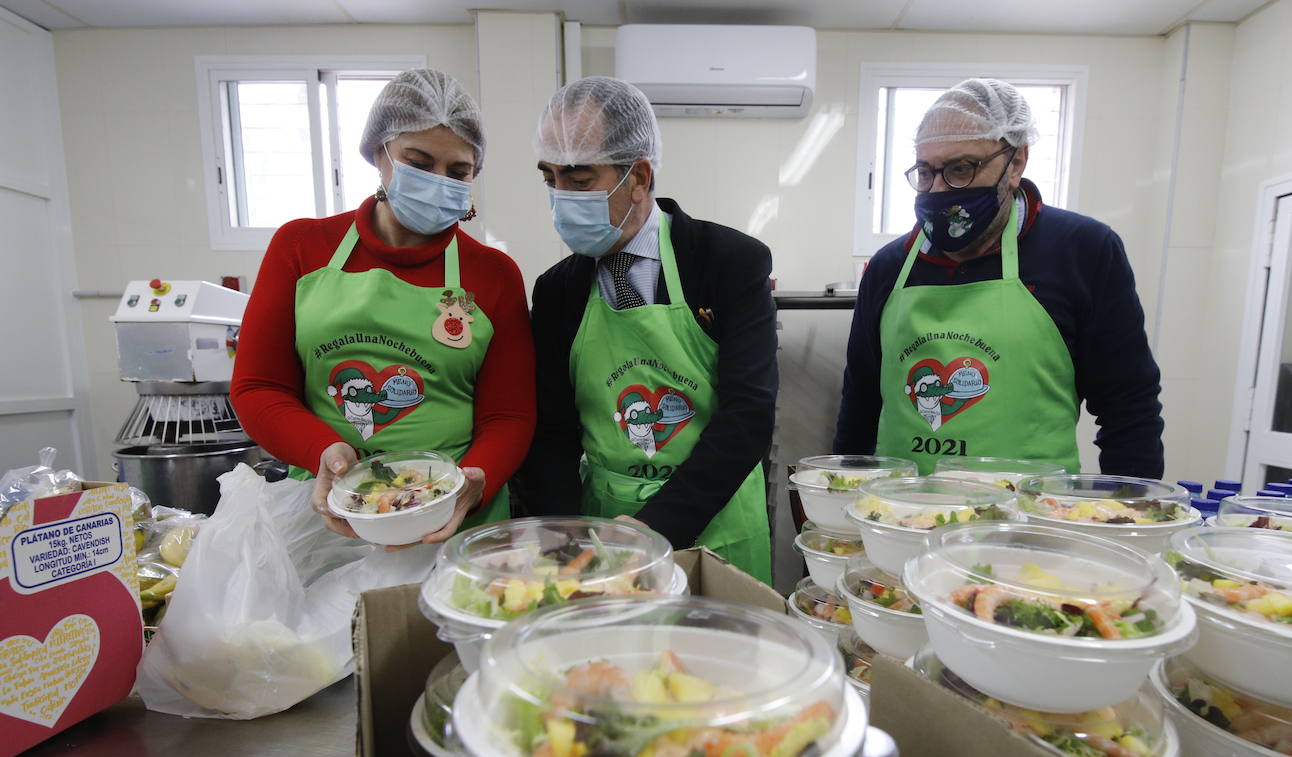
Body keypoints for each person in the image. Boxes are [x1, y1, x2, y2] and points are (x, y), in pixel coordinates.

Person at [231, 68, 536, 544]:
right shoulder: (301, 247)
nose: (439, 181)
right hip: (329, 510)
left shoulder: (493, 275)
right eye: (419, 162)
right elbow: (259, 386)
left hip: (452, 518)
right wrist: (322, 451)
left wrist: (475, 480)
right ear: (379, 152)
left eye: (458, 171)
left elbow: (509, 414)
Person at [833, 78, 1165, 478]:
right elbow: (861, 403)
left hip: (1031, 524)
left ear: (1016, 162)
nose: (939, 189)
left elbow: (1128, 405)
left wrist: (1128, 511)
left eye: (961, 169)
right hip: (900, 519)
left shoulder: (1082, 250)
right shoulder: (890, 266)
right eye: (925, 172)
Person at [517, 77, 778, 583]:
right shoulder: (556, 291)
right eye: (549, 178)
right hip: (601, 529)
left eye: (578, 180)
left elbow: (748, 413)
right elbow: (552, 429)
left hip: (713, 520)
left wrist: (653, 528)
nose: (558, 198)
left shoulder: (730, 262)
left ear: (638, 177)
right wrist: (562, 537)